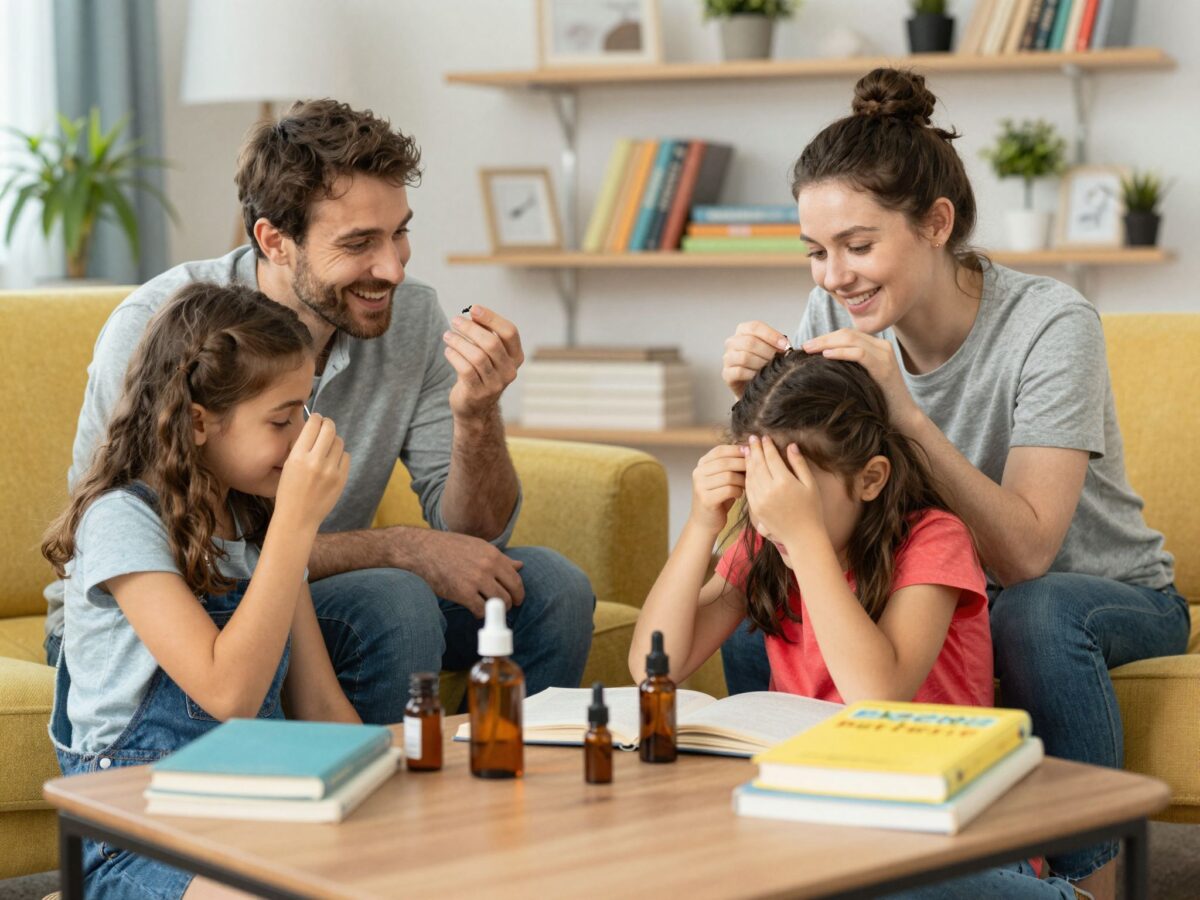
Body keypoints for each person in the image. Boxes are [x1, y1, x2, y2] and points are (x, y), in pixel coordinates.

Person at [719, 67, 1188, 899]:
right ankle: (795, 845)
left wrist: (907, 414)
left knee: (1032, 615)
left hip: (1103, 592)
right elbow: (809, 494)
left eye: (858, 247)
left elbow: (1029, 551)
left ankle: (1089, 880)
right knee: (764, 605)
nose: (832, 277)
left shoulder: (1049, 323)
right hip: (933, 578)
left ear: (937, 223)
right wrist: (757, 405)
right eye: (816, 252)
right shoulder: (832, 311)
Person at [43, 99, 595, 723]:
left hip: (294, 576)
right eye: (359, 243)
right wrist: (397, 548)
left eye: (400, 233)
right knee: (395, 600)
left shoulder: (409, 316)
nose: (390, 268)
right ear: (275, 241)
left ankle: (507, 800)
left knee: (552, 589)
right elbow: (150, 536)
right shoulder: (164, 329)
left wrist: (476, 415)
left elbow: (476, 535)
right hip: (179, 604)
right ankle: (382, 814)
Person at [629, 351, 1078, 899]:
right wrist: (702, 524)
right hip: (824, 810)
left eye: (796, 490)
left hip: (950, 819)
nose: (773, 513)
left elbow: (878, 694)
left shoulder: (933, 539)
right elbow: (655, 664)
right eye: (763, 487)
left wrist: (806, 541)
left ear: (870, 479)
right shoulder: (767, 543)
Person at [43, 284, 358, 898]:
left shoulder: (259, 525)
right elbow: (229, 693)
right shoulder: (121, 520)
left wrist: (399, 788)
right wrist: (298, 523)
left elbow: (319, 705)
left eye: (305, 411)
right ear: (197, 423)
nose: (301, 437)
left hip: (247, 809)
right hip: (135, 831)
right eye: (281, 419)